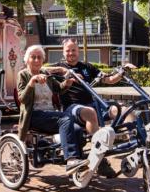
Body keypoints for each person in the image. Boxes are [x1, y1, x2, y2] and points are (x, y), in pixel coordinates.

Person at [51, 38, 137, 177]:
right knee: (90, 113)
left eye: (73, 50)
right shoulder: (58, 68)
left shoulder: (87, 67)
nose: (71, 53)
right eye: (68, 50)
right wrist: (63, 70)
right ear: (63, 52)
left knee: (125, 110)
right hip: (72, 109)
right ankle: (100, 160)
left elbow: (108, 79)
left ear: (78, 51)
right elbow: (41, 69)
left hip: (94, 105)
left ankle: (135, 146)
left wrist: (123, 71)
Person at [17, 45, 85, 173]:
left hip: (49, 115)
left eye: (39, 57)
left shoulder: (45, 73)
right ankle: (71, 159)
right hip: (33, 116)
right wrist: (32, 82)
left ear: (43, 60)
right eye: (33, 57)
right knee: (65, 118)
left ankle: (78, 165)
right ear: (27, 60)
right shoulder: (23, 75)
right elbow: (22, 99)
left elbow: (58, 88)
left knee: (77, 129)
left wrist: (68, 83)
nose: (37, 60)